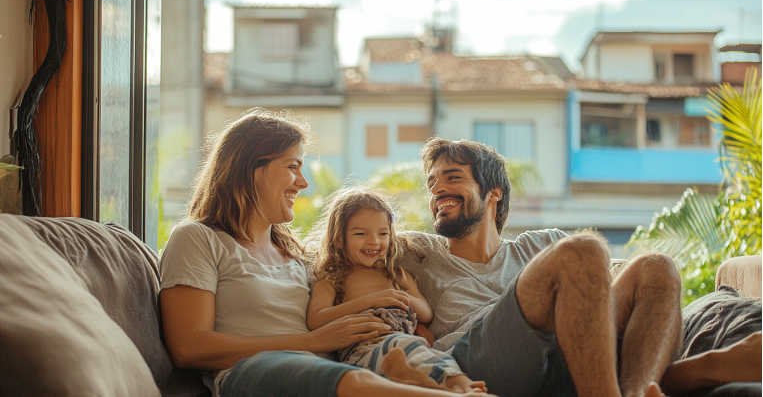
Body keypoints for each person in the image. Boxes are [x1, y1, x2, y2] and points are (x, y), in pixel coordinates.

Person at [159, 111, 489, 397]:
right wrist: (314, 341)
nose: (302, 182)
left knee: (375, 370)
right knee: (355, 382)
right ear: (252, 169)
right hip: (253, 372)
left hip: (328, 366)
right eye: (292, 166)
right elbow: (189, 347)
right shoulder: (198, 238)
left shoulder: (299, 256)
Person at [398, 137, 684, 397]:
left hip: (564, 355)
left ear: (493, 193)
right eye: (432, 183)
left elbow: (602, 295)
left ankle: (636, 392)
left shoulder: (543, 245)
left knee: (657, 267)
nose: (437, 190)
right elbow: (356, 231)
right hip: (478, 363)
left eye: (453, 177)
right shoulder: (415, 251)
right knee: (583, 249)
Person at [307, 188, 487, 394]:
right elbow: (316, 320)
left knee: (435, 356)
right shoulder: (333, 277)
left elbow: (426, 313)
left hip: (407, 344)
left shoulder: (395, 274)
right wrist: (371, 301)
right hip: (364, 349)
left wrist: (405, 298)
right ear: (339, 238)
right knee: (405, 349)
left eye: (383, 234)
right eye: (360, 234)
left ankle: (461, 385)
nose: (374, 241)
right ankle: (433, 382)